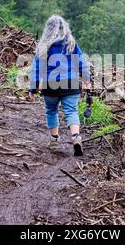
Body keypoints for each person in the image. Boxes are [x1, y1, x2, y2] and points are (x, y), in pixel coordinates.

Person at [29, 15, 91, 156]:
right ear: (65, 28)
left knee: (51, 111)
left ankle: (54, 140)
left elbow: (37, 68)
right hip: (71, 83)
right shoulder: (71, 43)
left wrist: (33, 87)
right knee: (71, 111)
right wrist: (86, 78)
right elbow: (81, 61)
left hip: (50, 85)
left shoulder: (44, 46)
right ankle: (76, 137)